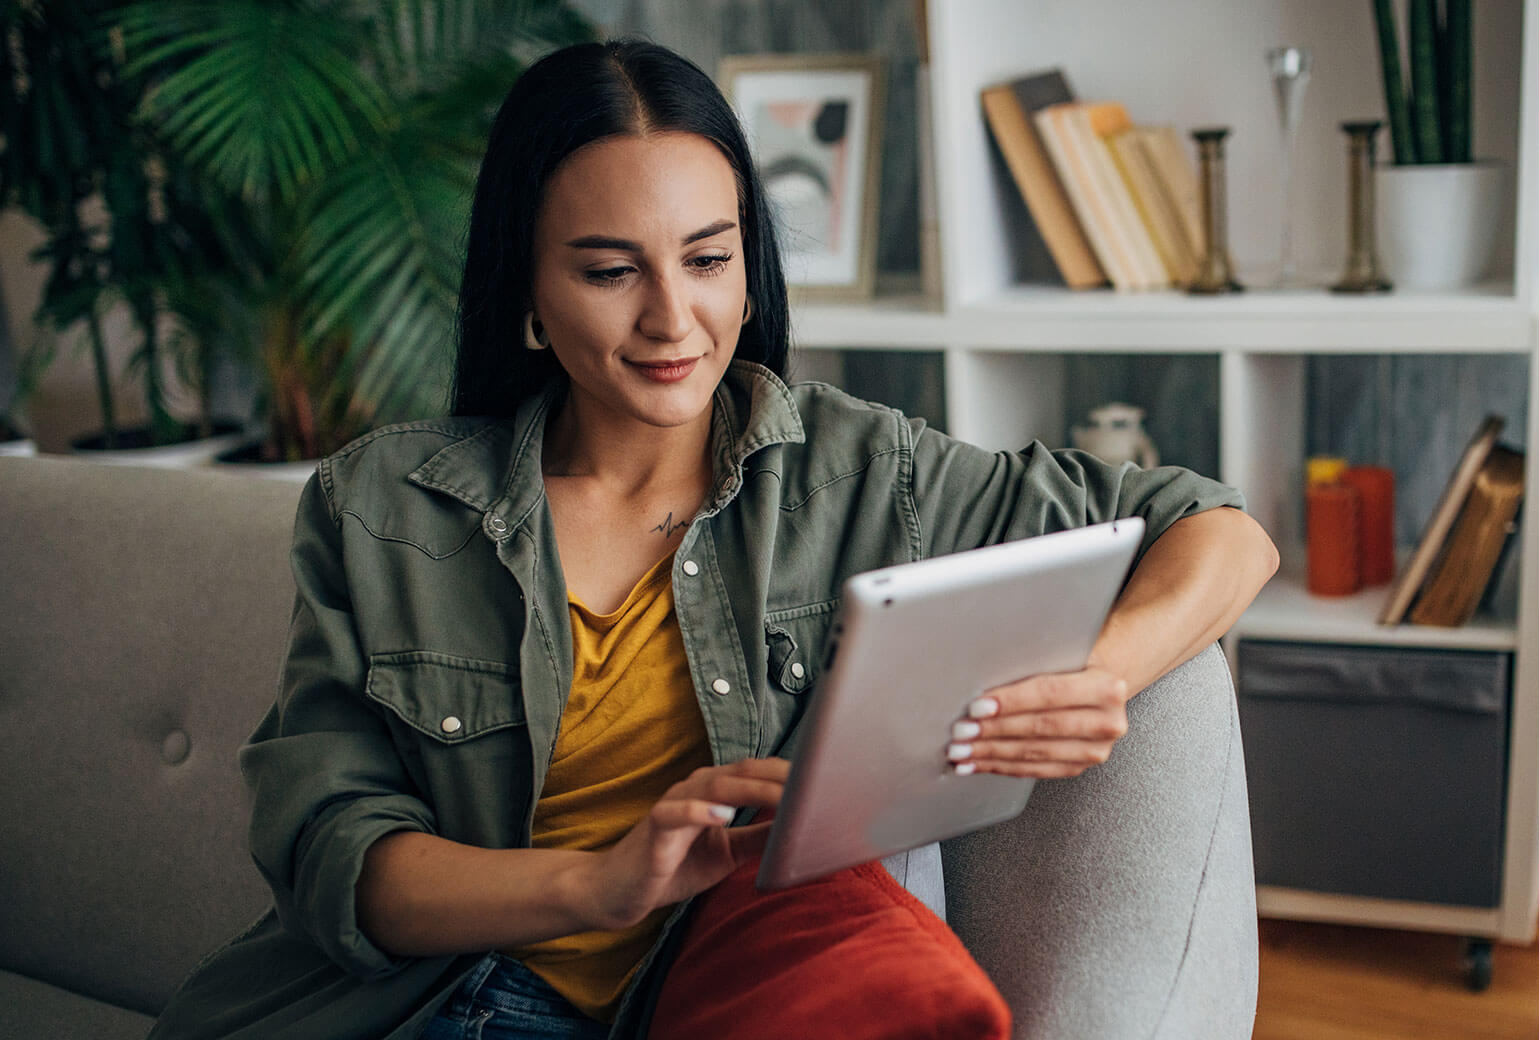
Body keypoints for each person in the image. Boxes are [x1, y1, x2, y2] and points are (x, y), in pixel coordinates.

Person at [149, 38, 1278, 1040]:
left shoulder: (854, 471)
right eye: (608, 270)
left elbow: (1217, 529)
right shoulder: (382, 504)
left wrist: (1098, 675)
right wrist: (597, 883)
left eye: (706, 258)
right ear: (531, 295)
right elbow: (332, 851)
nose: (671, 320)